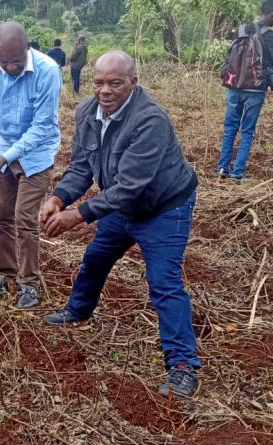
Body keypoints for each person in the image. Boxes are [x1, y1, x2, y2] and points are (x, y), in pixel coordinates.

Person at [39, 51, 200, 399]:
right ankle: (78, 312)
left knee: (164, 282)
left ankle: (183, 365)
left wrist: (78, 215)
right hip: (120, 205)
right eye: (98, 82)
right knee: (96, 259)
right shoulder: (87, 112)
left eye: (115, 83)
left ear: (133, 82)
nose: (105, 91)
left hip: (163, 207)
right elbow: (81, 166)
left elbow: (130, 186)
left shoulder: (151, 120)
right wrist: (59, 198)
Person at [0, 21, 62, 309]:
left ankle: (30, 284)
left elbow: (42, 126)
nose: (11, 68)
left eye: (16, 61)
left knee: (25, 219)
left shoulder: (47, 71)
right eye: (5, 62)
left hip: (36, 155)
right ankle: (7, 276)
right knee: (1, 216)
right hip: (2, 152)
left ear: (28, 48)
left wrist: (7, 156)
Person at [218, 1, 273, 180]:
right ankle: (237, 173)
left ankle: (222, 169)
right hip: (255, 91)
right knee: (247, 131)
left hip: (234, 86)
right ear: (271, 14)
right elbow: (270, 67)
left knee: (229, 128)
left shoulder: (242, 29)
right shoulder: (270, 37)